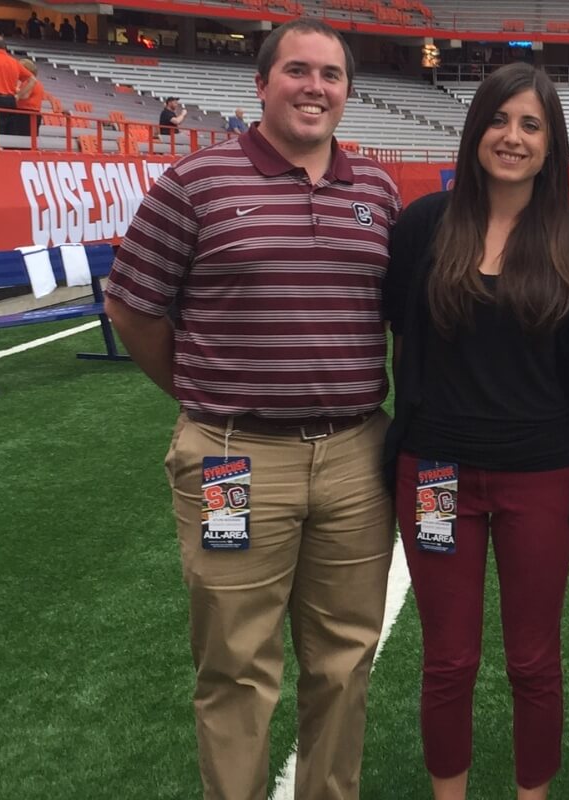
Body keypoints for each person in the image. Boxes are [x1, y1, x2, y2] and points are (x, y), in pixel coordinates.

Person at [103, 18, 400, 800]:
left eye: (331, 75)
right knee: (235, 665)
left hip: (354, 457)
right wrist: (202, 394)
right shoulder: (196, 183)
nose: (315, 87)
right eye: (297, 71)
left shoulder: (376, 190)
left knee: (344, 661)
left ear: (348, 91)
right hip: (233, 456)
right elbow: (131, 306)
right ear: (261, 84)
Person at [382, 61, 569, 800]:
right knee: (448, 660)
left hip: (540, 476)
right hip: (436, 474)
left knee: (533, 661)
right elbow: (402, 337)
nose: (513, 137)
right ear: (476, 129)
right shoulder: (424, 226)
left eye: (531, 125)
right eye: (500, 120)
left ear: (551, 144)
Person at [0, 35, 32, 137]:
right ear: (4, 46)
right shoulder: (14, 61)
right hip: (11, 100)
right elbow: (32, 79)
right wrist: (19, 96)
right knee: (10, 133)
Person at [15, 58, 43, 140]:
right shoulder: (34, 82)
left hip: (27, 114)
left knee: (24, 140)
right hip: (30, 113)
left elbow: (24, 96)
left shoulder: (29, 82)